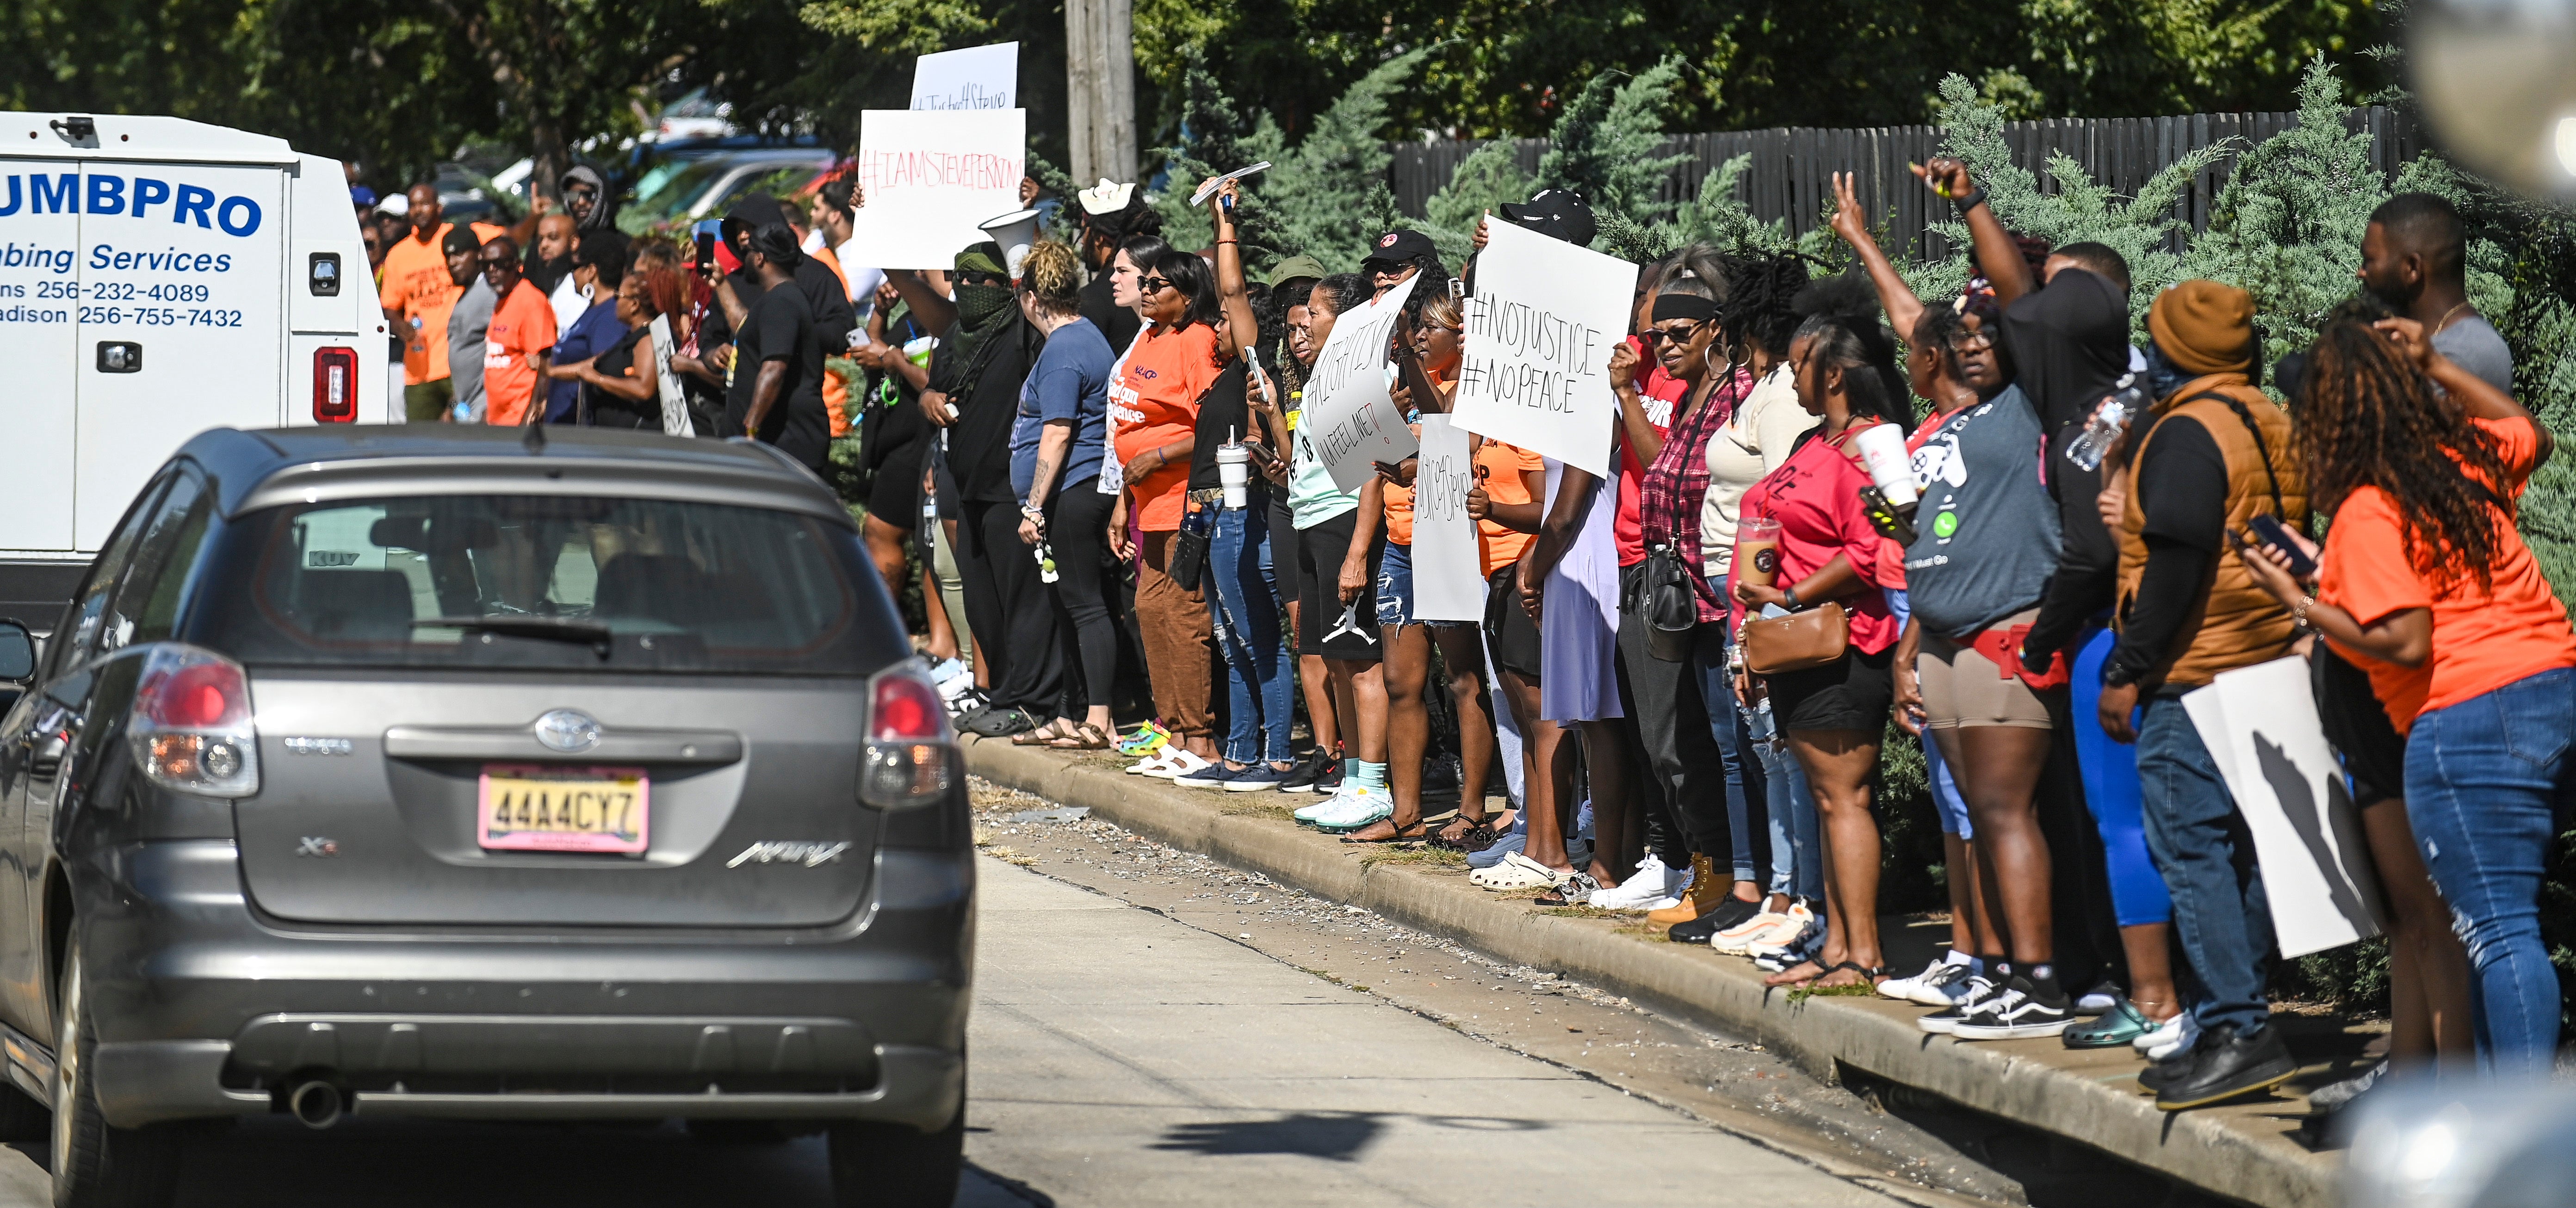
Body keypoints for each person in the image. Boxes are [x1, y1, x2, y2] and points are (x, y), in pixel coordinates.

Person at [2239, 309, 2546, 1078]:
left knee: (2494, 930)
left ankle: (2503, 1128)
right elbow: (2526, 431)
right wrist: (2436, 368)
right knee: (2499, 922)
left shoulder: (2367, 508)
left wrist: (2300, 601)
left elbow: (2404, 637)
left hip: (2461, 710)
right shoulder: (2466, 455)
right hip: (2546, 686)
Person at [2101, 280, 2307, 1111]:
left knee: (2190, 846)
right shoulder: (2268, 417)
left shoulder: (2185, 432)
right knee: (2250, 851)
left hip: (2196, 667)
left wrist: (2127, 667)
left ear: (2174, 349)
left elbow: (2178, 560)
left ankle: (2236, 1025)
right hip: (2267, 657)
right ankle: (2237, 1013)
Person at [1733, 276, 1912, 991]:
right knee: (1826, 797)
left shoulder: (1876, 446)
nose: (1789, 373)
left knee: (1844, 798)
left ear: (1832, 372)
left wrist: (1791, 594)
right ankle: (1836, 941)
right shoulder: (1814, 440)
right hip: (1792, 642)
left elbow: (1885, 543)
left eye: (1799, 362)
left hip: (1847, 645)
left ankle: (1859, 951)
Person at [1596, 252, 1752, 913]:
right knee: (1676, 736)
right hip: (1668, 583)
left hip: (1714, 593)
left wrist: (1630, 393)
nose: (1660, 344)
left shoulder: (1736, 394)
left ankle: (1729, 874)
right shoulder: (1691, 389)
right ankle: (1710, 867)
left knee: (1717, 743)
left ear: (1716, 326)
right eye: (1655, 333)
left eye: (1675, 333)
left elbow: (1666, 469)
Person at [1686, 256, 1823, 956]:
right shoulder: (1763, 386)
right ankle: (1776, 891)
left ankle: (1794, 895)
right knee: (1762, 752)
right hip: (1733, 593)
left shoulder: (1780, 401)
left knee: (1778, 752)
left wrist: (1752, 627)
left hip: (1756, 598)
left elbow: (1776, 509)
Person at [1110, 182, 1258, 774]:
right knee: (1150, 610)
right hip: (1145, 501)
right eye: (1142, 284)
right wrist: (1126, 496)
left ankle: (1200, 738)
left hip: (1182, 497)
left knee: (1183, 613)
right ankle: (1171, 730)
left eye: (1155, 285)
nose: (1144, 292)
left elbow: (1212, 423)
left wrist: (1157, 459)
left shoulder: (1198, 342)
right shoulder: (1150, 335)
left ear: (1185, 293)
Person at [1341, 288, 1496, 839]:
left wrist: (1407, 355)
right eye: (1418, 329)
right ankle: (1404, 813)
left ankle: (1472, 809)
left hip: (1450, 543)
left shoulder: (1474, 386)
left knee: (1462, 677)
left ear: (1463, 336)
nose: (1424, 337)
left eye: (1434, 329)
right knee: (1402, 681)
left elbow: (1456, 436)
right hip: (1403, 546)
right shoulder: (1405, 389)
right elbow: (1371, 460)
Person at [922, 242, 1055, 737]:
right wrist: (929, 399)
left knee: (1022, 601)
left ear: (1006, 284)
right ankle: (1002, 692)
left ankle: (1032, 699)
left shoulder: (1021, 333)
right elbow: (933, 390)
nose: (971, 289)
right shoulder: (956, 335)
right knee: (982, 601)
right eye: (962, 279)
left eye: (983, 279)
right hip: (968, 486)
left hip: (1012, 489)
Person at [1172, 288, 1299, 793]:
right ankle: (1241, 753)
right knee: (1229, 640)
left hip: (1237, 512)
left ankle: (1281, 755)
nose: (1218, 328)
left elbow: (1234, 289)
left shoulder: (1255, 365)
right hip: (1209, 517)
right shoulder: (1227, 375)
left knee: (1257, 636)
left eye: (1226, 321)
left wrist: (1224, 222)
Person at [1284, 273, 1390, 813]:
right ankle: (1352, 779)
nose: (1306, 320)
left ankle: (1373, 784)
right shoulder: (1325, 374)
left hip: (1343, 521)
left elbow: (1374, 467)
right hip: (1313, 520)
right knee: (1338, 658)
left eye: (1316, 312)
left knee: (1361, 657)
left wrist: (1356, 553)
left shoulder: (1362, 376)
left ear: (1344, 321)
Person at [1009, 241, 1120, 750]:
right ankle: (1069, 712)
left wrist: (1033, 505)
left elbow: (1057, 431)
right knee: (1067, 605)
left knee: (1086, 605)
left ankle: (1099, 718)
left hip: (1074, 491)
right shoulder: (1087, 335)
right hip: (1076, 490)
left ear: (1032, 298)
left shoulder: (1062, 350)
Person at [1252, 254, 1339, 795]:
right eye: (1289, 309)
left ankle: (1356, 756)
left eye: (1307, 301)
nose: (1298, 317)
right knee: (1306, 634)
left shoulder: (1341, 367)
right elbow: (1291, 459)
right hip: (1291, 504)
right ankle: (1327, 751)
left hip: (1335, 509)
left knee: (1339, 639)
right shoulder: (1284, 369)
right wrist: (1267, 420)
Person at [2358, 193, 2514, 395]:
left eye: (2369, 260)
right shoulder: (2443, 344)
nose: (2361, 272)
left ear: (2412, 268)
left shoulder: (2461, 354)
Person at [378, 182, 504, 421]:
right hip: (419, 371)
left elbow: (506, 240)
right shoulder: (398, 255)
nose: (418, 210)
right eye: (413, 205)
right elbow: (390, 307)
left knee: (465, 438)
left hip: (457, 367)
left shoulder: (458, 236)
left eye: (424, 204)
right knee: (421, 444)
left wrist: (534, 217)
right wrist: (399, 325)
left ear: (439, 207)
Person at [723, 223, 831, 469]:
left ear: (760, 258)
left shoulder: (782, 302)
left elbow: (774, 369)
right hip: (778, 442)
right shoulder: (778, 300)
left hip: (788, 443)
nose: (745, 260)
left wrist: (750, 428)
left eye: (748, 253)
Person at [541, 231, 632, 424]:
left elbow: (603, 366)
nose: (573, 274)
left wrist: (550, 371)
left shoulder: (609, 317)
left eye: (577, 267)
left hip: (579, 430)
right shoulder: (594, 309)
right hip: (560, 421)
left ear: (591, 271)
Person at [560, 271, 663, 429]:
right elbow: (588, 367)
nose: (615, 302)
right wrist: (549, 371)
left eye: (618, 296)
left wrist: (598, 379)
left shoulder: (646, 340)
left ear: (634, 305)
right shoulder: (630, 337)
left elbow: (643, 389)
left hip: (632, 440)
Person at [475, 235, 558, 428]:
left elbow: (545, 363)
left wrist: (533, 411)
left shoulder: (531, 301)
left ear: (517, 265)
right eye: (485, 265)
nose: (492, 270)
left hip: (521, 418)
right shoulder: (503, 299)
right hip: (499, 419)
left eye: (499, 264)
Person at [1075, 179, 1159, 352]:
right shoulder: (1168, 280)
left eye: (1084, 230)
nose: (1083, 242)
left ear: (1098, 238)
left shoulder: (1092, 299)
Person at [445, 228, 498, 423]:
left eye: (459, 254)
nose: (452, 263)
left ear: (479, 255)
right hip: (465, 406)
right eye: (448, 257)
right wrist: (452, 404)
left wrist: (492, 406)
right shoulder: (468, 294)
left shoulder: (490, 291)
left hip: (485, 405)